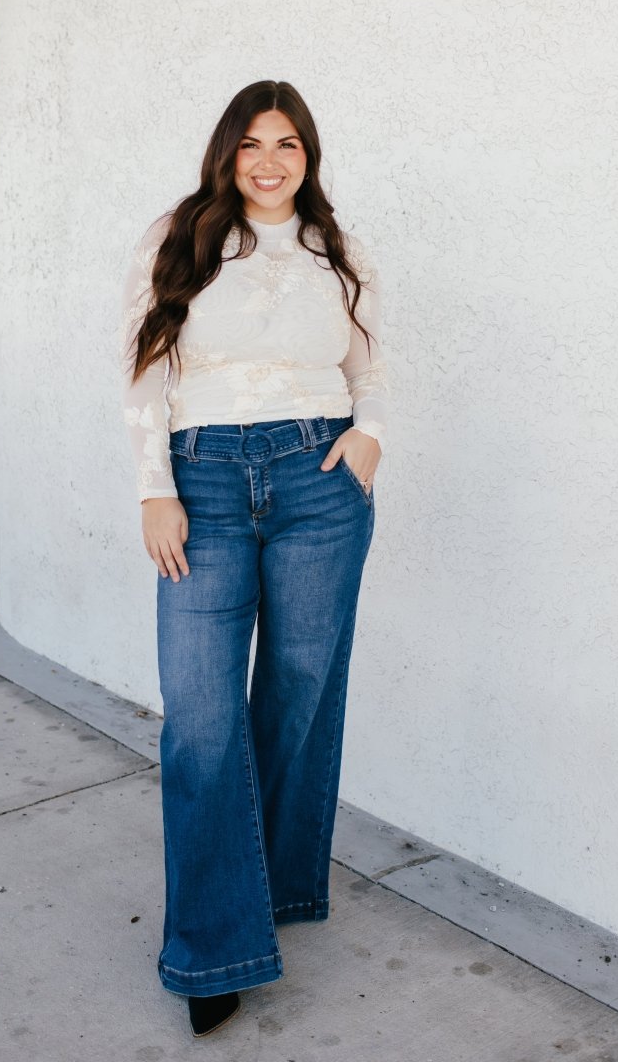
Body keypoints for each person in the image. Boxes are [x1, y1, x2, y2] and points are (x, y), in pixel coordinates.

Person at [120, 79, 390, 1038]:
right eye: (250, 146)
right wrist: (156, 487)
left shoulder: (333, 249)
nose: (269, 162)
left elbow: (373, 362)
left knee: (298, 689)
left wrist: (370, 438)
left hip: (320, 479)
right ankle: (210, 950)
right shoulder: (183, 234)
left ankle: (268, 888)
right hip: (207, 485)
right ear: (225, 155)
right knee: (199, 716)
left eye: (288, 144)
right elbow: (147, 364)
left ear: (308, 155)